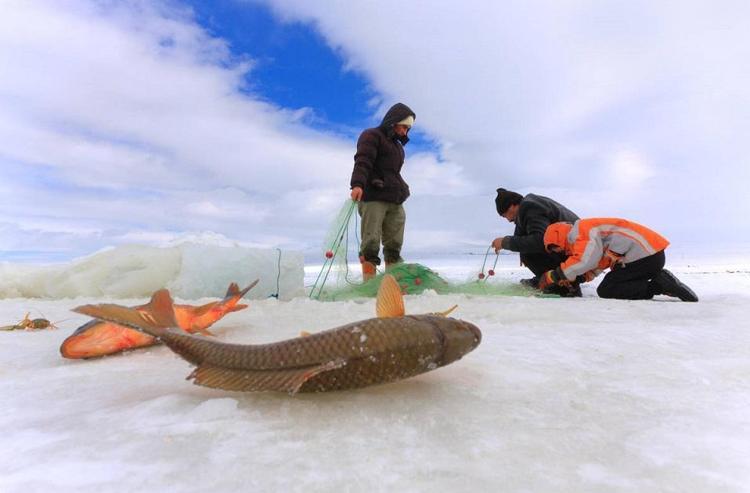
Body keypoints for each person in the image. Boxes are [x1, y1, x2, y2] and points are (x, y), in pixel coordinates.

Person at [540, 218, 699, 301]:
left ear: (558, 237)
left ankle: (659, 284)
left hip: (645, 256)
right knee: (611, 285)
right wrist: (580, 278)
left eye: (554, 247)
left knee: (608, 289)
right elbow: (600, 261)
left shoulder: (581, 231)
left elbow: (586, 260)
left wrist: (555, 275)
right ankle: (661, 283)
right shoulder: (587, 235)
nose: (558, 252)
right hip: (650, 256)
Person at [350, 102, 416, 281]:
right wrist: (357, 184)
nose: (404, 132)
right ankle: (369, 284)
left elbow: (393, 172)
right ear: (393, 121)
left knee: (394, 244)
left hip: (395, 198)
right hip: (373, 196)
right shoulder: (371, 135)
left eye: (407, 129)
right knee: (371, 242)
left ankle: (391, 284)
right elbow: (363, 160)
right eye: (403, 127)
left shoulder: (398, 147)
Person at [491, 188, 580, 295]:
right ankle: (546, 278)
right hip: (575, 252)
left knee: (529, 252)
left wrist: (505, 242)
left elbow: (540, 240)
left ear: (512, 205)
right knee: (525, 249)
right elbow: (521, 233)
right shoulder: (529, 204)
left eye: (505, 215)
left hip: (577, 256)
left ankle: (563, 285)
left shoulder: (530, 208)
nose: (508, 219)